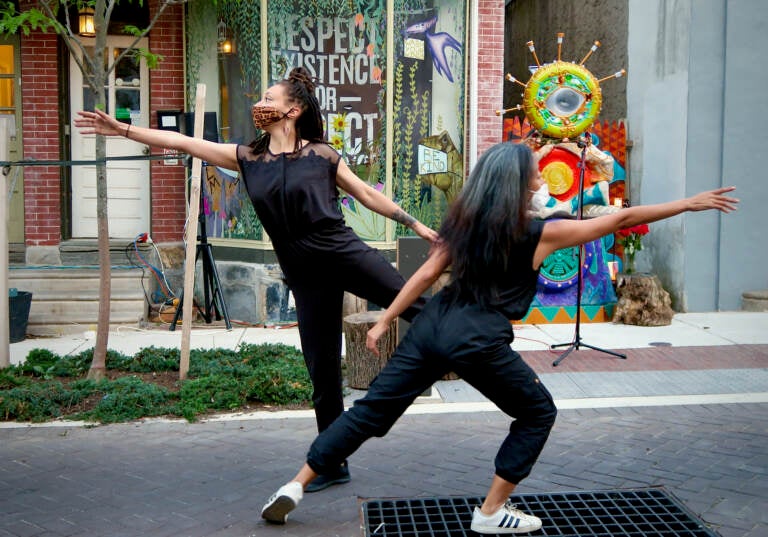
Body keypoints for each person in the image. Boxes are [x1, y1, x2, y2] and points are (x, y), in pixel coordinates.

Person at [259, 141, 738, 533]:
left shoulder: (464, 224)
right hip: (478, 337)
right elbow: (616, 220)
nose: (540, 173)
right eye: (535, 169)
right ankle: (490, 512)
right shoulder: (538, 233)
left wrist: (387, 320)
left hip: (431, 327)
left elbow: (426, 274)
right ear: (520, 180)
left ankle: (295, 486)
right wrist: (688, 203)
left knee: (369, 412)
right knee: (537, 412)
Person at [75, 67, 438, 492]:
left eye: (270, 97)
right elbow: (181, 141)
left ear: (293, 110)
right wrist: (124, 130)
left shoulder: (321, 155)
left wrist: (416, 226)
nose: (261, 104)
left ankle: (473, 345)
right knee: (321, 371)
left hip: (342, 252)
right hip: (304, 272)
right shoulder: (247, 158)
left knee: (413, 302)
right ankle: (333, 462)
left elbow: (367, 193)